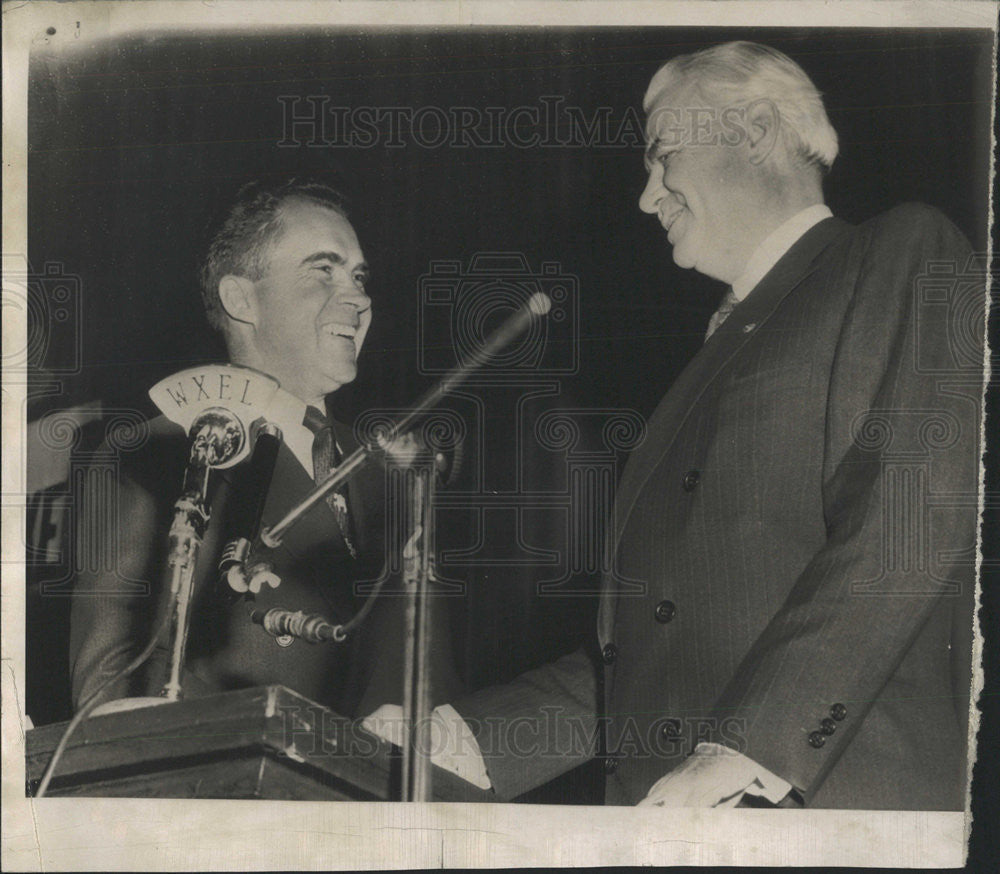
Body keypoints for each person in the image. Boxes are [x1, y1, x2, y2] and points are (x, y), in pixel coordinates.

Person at [372, 41, 983, 809]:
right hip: (683, 813)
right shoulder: (707, 357)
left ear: (755, 130)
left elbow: (911, 518)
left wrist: (748, 748)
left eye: (664, 153)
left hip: (825, 806)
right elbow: (650, 650)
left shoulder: (897, 249)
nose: (646, 195)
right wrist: (470, 736)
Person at [69, 178, 463, 719]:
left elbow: (429, 686)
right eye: (322, 270)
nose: (359, 297)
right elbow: (109, 692)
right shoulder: (156, 450)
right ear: (241, 299)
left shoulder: (397, 475)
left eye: (358, 275)